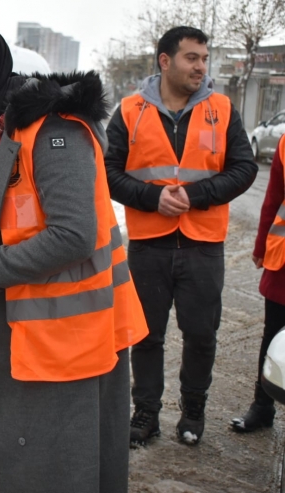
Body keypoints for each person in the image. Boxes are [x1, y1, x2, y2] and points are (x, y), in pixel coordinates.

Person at [0, 19, 148, 493]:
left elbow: (74, 234)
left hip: (67, 349)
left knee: (57, 475)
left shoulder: (53, 131)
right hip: (12, 341)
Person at [104, 26, 258, 447]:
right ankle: (146, 414)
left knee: (201, 334)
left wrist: (194, 195)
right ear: (165, 60)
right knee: (147, 336)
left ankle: (193, 411)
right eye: (193, 58)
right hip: (149, 246)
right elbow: (109, 171)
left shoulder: (222, 109)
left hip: (203, 245)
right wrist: (153, 200)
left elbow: (244, 169)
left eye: (204, 59)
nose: (201, 67)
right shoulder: (130, 110)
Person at [231, 134, 285, 432]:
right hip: (283, 264)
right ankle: (263, 406)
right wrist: (261, 246)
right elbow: (274, 199)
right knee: (274, 336)